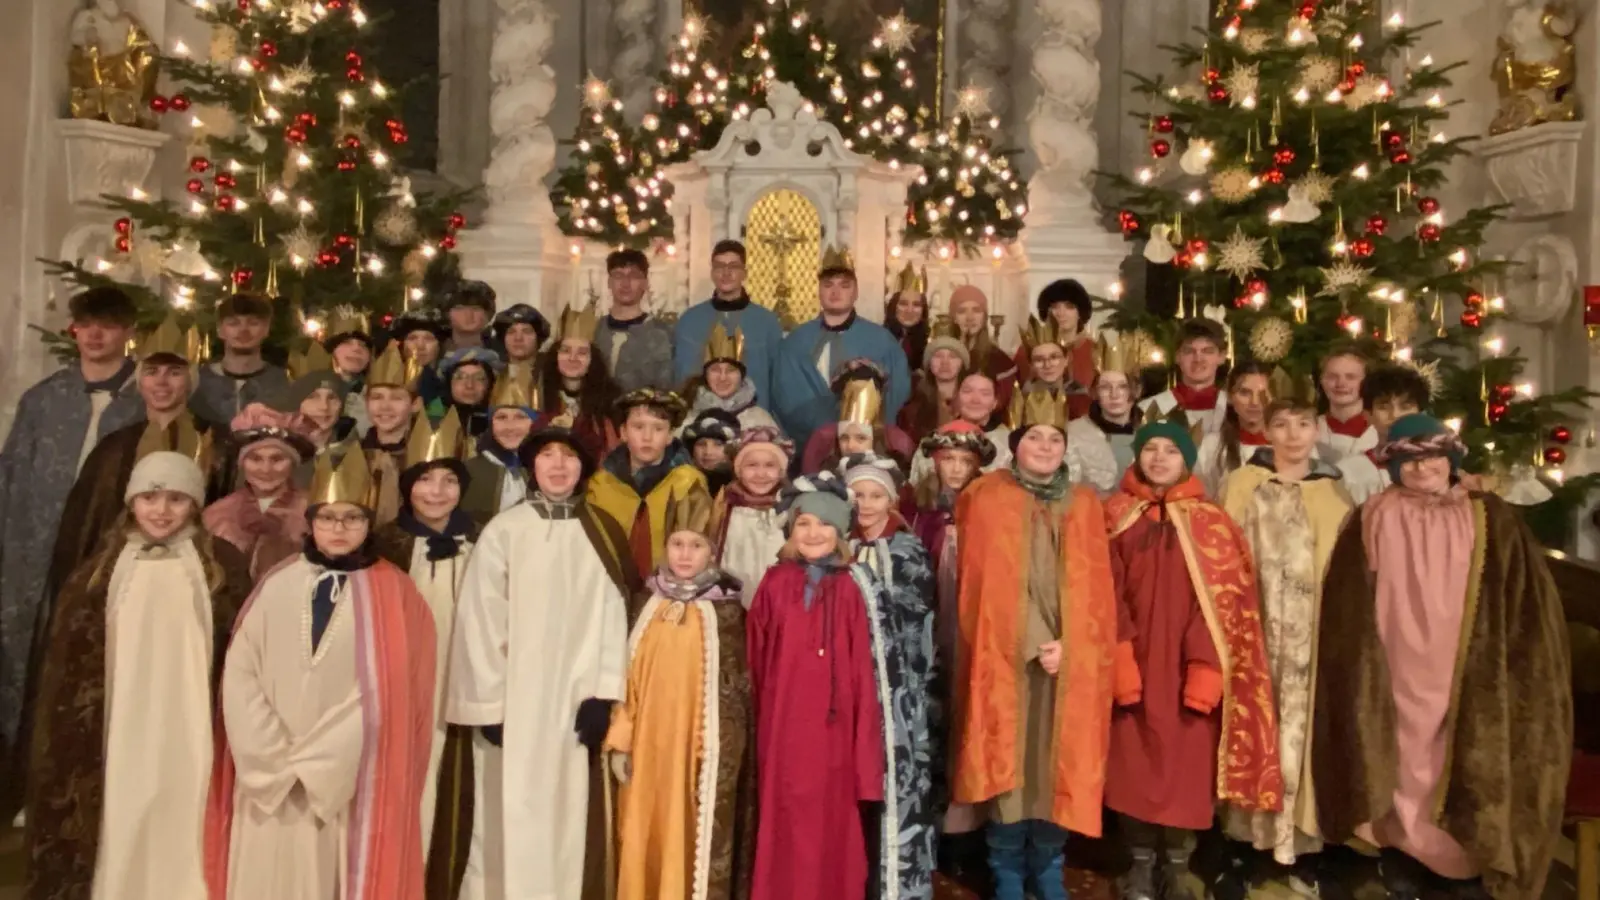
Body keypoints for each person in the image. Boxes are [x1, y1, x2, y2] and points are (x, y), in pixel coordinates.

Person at [1314, 414, 1572, 900]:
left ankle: (1460, 860)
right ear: (1394, 467)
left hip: (1465, 658)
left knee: (1459, 754)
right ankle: (1404, 852)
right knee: (1402, 754)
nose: (1422, 468)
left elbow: (1525, 596)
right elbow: (1347, 599)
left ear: (1450, 459)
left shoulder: (1489, 515)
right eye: (1409, 461)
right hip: (1395, 659)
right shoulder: (1374, 513)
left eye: (1432, 456)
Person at [205, 446, 438, 900]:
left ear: (368, 524)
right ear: (310, 522)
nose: (338, 528)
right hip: (268, 773)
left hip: (344, 780)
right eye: (328, 518)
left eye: (352, 518)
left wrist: (320, 761)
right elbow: (241, 670)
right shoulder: (278, 582)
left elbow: (393, 689)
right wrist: (270, 754)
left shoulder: (397, 593)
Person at [24, 451, 251, 900]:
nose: (161, 511)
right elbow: (69, 667)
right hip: (119, 721)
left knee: (183, 804)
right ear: (131, 502)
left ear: (195, 505)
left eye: (176, 499)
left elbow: (241, 647)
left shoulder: (221, 568)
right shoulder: (98, 573)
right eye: (149, 498)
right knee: (123, 804)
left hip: (191, 721)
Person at [447, 421, 637, 900]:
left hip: (578, 699)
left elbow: (616, 613)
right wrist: (489, 705)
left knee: (572, 809)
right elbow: (481, 617)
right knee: (511, 806)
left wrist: (604, 693)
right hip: (517, 698)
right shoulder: (506, 530)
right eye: (548, 455)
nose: (558, 464)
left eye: (568, 456)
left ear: (582, 468)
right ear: (532, 466)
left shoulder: (603, 530)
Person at [950, 386, 1119, 900]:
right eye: (1034, 437)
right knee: (1010, 763)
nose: (1045, 447)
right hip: (1006, 657)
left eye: (1054, 439)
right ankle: (1004, 866)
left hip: (1070, 659)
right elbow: (981, 585)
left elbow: (1097, 588)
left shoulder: (1084, 503)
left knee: (1055, 763)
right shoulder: (986, 496)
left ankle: (1048, 865)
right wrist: (1032, 640)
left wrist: (1074, 645)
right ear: (1016, 444)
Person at [1103, 419, 1282, 900]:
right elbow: (1102, 591)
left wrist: (1205, 669)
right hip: (1132, 664)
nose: (1159, 458)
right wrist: (1119, 658)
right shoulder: (1114, 516)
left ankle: (1179, 866)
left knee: (1187, 770)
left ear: (1187, 460)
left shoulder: (1212, 522)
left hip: (1187, 671)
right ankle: (1141, 865)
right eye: (1151, 449)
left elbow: (1226, 603)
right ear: (1137, 456)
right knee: (1132, 768)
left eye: (1171, 450)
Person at [0, 286, 140, 800]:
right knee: (26, 656)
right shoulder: (44, 398)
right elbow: (11, 473)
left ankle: (88, 785)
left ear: (128, 332)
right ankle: (20, 780)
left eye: (108, 324)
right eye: (86, 325)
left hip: (106, 548)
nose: (96, 334)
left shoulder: (147, 397)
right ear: (74, 330)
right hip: (34, 550)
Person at [1215, 390, 1353, 895]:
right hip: (1251, 632)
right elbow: (1219, 554)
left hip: (1310, 638)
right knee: (1253, 726)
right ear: (1266, 431)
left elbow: (1345, 569)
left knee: (1301, 732)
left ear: (1317, 430)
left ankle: (1300, 841)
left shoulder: (1333, 493)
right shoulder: (1242, 484)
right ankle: (1246, 838)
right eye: (1282, 425)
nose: (1293, 435)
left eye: (1303, 424)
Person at [604, 489, 755, 900]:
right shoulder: (644, 603)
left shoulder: (727, 613)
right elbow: (624, 676)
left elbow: (734, 695)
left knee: (689, 838)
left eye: (696, 546)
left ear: (713, 552)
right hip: (646, 751)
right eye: (677, 544)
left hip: (695, 753)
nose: (685, 555)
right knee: (640, 834)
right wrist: (621, 741)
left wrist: (717, 750)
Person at [746, 472, 885, 900]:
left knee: (831, 820)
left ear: (840, 531)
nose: (813, 532)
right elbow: (755, 658)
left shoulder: (855, 587)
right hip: (782, 726)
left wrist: (865, 748)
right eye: (803, 523)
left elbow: (866, 670)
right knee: (785, 816)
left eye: (824, 523)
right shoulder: (774, 583)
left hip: (835, 731)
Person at [46, 314, 219, 625]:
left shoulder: (218, 444)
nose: (162, 382)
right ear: (140, 382)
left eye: (174, 372)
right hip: (124, 580)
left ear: (190, 380)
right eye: (152, 372)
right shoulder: (114, 449)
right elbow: (85, 528)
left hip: (193, 578)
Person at [370, 408, 479, 896]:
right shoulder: (384, 545)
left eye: (448, 481)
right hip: (402, 688)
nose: (437, 492)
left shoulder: (483, 541)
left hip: (461, 688)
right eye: (425, 480)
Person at [840, 452, 941, 900]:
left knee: (894, 778)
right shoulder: (835, 544)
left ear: (891, 500)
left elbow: (918, 621)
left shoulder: (908, 550)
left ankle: (896, 882)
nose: (865, 504)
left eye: (874, 495)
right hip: (848, 685)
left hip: (897, 687)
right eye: (857, 495)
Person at [905, 421, 994, 892]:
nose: (956, 470)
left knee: (971, 726)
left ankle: (967, 836)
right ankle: (929, 833)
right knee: (931, 726)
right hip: (927, 635)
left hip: (975, 633)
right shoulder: (917, 512)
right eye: (949, 461)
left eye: (965, 462)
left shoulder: (990, 509)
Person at [773, 245, 911, 453]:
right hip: (808, 447)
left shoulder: (882, 341)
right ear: (819, 291)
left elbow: (896, 393)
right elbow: (785, 396)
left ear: (856, 292)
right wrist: (824, 430)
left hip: (866, 447)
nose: (835, 292)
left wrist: (863, 426)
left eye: (845, 285)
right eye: (828, 285)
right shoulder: (795, 342)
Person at [587, 388, 710, 575]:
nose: (647, 437)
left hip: (670, 586)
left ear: (670, 436)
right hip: (609, 583)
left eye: (658, 429)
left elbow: (698, 546)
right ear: (623, 432)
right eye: (638, 427)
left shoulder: (688, 483)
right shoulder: (601, 485)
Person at [203, 403, 317, 580]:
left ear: (293, 463)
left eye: (277, 459)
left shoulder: (313, 513)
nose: (266, 469)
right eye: (255, 459)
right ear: (242, 463)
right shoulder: (216, 515)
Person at [674, 239, 784, 407]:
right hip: (701, 417)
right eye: (719, 266)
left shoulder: (766, 322)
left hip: (753, 416)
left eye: (733, 266)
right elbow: (682, 377)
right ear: (712, 273)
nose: (726, 273)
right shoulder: (690, 321)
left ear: (744, 273)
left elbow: (777, 381)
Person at [712, 425, 794, 609]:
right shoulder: (725, 504)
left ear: (781, 471)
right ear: (739, 470)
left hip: (779, 604)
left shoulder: (789, 507)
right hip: (732, 604)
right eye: (752, 465)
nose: (761, 474)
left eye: (770, 465)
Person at [1335, 364, 1432, 505]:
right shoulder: (1348, 472)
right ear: (1368, 415)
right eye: (1384, 407)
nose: (1395, 415)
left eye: (1405, 407)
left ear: (1421, 415)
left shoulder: (1437, 469)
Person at [193, 292, 291, 428]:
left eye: (253, 323)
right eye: (234, 323)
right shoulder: (198, 382)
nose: (244, 330)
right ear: (220, 330)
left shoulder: (281, 382)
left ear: (266, 329)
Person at [800, 360, 916, 474]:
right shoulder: (822, 440)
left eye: (861, 438)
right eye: (844, 437)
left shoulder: (897, 442)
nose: (851, 447)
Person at [540, 303, 622, 463]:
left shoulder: (612, 404)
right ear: (555, 355)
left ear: (593, 359)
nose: (573, 358)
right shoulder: (540, 396)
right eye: (566, 350)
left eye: (582, 352)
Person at [461, 369, 539, 527]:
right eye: (501, 417)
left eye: (520, 417)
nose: (510, 427)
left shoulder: (545, 468)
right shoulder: (469, 471)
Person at [906, 371, 1011, 484]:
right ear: (956, 397)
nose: (975, 400)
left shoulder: (1010, 444)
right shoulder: (935, 439)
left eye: (985, 393)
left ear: (995, 402)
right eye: (967, 391)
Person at [361, 342, 424, 525]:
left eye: (396, 398)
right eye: (377, 397)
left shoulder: (426, 458)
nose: (385, 406)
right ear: (366, 403)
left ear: (415, 404)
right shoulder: (352, 455)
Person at [595, 249, 675, 392]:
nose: (625, 283)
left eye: (633, 276)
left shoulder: (662, 335)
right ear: (609, 282)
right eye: (618, 275)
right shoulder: (594, 330)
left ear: (645, 283)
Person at [1015, 280, 1096, 418]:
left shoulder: (1095, 350)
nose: (1061, 313)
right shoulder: (1027, 351)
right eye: (1054, 307)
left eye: (1069, 307)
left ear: (1080, 312)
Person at [1194, 362, 1273, 495]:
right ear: (1230, 397)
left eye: (1263, 393)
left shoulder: (1293, 444)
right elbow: (1201, 497)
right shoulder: (1211, 446)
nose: (1254, 402)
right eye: (1245, 393)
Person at [684, 323, 779, 431]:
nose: (722, 377)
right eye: (715, 370)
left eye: (731, 370)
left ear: (741, 377)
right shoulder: (687, 420)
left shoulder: (760, 421)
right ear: (706, 375)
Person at [1144, 318, 1230, 435]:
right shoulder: (1151, 408)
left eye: (1207, 351)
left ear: (1221, 357)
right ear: (1177, 356)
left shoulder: (1235, 409)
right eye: (1189, 351)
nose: (1198, 359)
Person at [898, 317, 969, 445]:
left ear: (962, 364)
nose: (945, 362)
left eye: (953, 356)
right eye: (938, 356)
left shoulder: (972, 403)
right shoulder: (913, 408)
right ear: (929, 363)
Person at [949, 284, 1018, 412]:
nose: (970, 317)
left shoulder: (999, 360)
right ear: (954, 318)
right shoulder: (942, 355)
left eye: (976, 310)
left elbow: (1006, 404)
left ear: (984, 316)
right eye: (962, 311)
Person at [1315, 346, 1377, 463]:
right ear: (1322, 381)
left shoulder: (1382, 431)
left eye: (1350, 377)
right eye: (1332, 377)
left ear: (1367, 382)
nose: (1341, 383)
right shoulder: (1309, 431)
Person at [324, 311, 373, 436]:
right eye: (346, 342)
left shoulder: (377, 395)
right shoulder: (309, 391)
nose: (357, 349)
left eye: (363, 345)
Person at [391, 306, 448, 411]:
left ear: (439, 346)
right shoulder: (387, 383)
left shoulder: (450, 386)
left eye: (428, 339)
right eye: (412, 338)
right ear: (402, 345)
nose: (420, 346)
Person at [439, 347, 502, 440]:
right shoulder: (434, 414)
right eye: (460, 377)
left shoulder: (501, 418)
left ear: (490, 384)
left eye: (479, 378)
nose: (469, 385)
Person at [682, 408, 741, 498]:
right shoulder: (681, 483)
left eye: (718, 444)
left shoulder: (745, 489)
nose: (708, 452)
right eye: (701, 444)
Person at [885, 263, 931, 371]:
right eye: (903, 303)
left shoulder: (931, 344)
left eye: (916, 305)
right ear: (893, 307)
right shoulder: (879, 339)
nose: (909, 310)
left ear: (923, 310)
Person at [491, 302, 551, 377]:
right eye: (511, 332)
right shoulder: (493, 375)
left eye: (526, 332)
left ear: (539, 337)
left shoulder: (551, 375)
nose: (518, 338)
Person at [441, 280, 497, 353]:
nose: (468, 314)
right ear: (447, 313)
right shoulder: (434, 353)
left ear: (488, 314)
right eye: (459, 308)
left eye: (476, 309)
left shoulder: (501, 353)